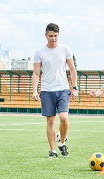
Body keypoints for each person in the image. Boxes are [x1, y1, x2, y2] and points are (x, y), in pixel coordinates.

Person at [32, 23, 78, 158]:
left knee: (64, 118)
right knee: (51, 121)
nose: (53, 38)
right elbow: (36, 73)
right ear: (46, 36)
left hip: (63, 89)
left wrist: (74, 88)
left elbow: (72, 70)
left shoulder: (65, 50)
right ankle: (52, 150)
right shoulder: (39, 52)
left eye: (56, 36)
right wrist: (35, 91)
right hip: (46, 90)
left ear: (58, 35)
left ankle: (62, 143)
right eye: (51, 36)